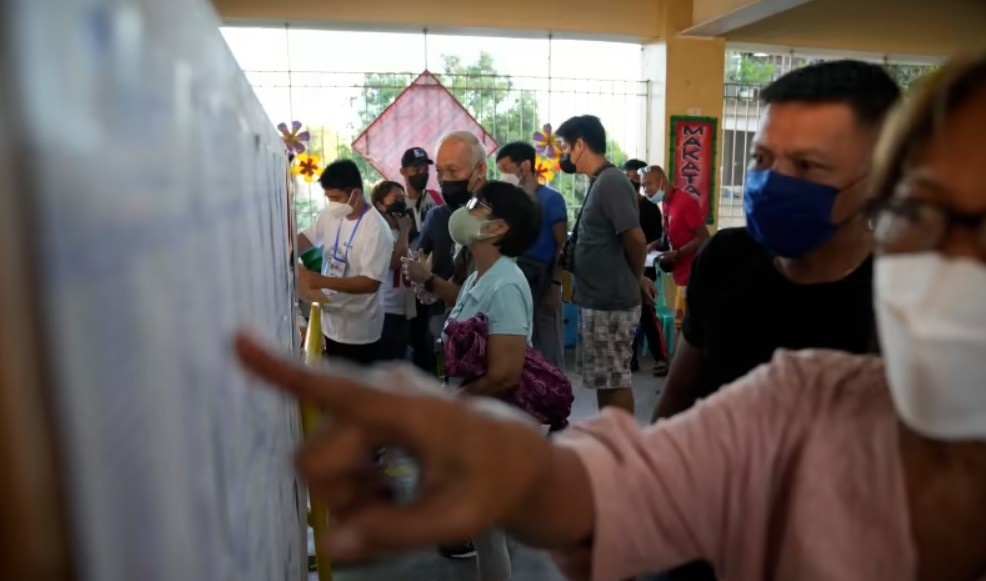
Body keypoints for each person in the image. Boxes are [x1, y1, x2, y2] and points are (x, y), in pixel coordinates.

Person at [234, 51, 986, 580]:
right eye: (923, 210)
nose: (941, 254)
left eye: (811, 168)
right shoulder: (814, 392)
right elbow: (648, 469)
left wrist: (624, 300)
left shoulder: (566, 230)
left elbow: (629, 249)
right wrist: (522, 467)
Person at [652, 59, 901, 581]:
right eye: (763, 158)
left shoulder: (911, 304)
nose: (773, 181)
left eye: (808, 166)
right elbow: (679, 397)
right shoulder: (728, 257)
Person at [442, 181, 541, 581]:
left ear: (497, 228)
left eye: (476, 205)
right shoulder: (478, 277)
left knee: (488, 531)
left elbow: (504, 373)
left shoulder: (506, 284)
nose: (465, 209)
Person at [403, 130, 490, 560]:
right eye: (442, 171)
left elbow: (481, 295)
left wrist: (434, 283)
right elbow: (428, 270)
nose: (445, 179)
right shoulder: (439, 218)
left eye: (454, 171)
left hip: (489, 346)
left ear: (480, 171)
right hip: (448, 337)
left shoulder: (496, 221)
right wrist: (422, 279)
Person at [557, 115, 650, 414]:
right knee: (605, 381)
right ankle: (613, 441)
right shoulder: (601, 182)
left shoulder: (611, 181)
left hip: (611, 303)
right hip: (599, 301)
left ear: (581, 144)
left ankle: (622, 449)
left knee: (614, 382)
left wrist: (634, 278)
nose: (566, 156)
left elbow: (635, 239)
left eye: (567, 148)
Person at [296, 159, 394, 366]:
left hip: (359, 331)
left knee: (353, 393)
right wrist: (283, 250)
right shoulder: (333, 214)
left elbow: (370, 283)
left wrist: (319, 281)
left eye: (336, 197)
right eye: (328, 198)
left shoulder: (377, 229)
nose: (331, 203)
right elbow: (306, 238)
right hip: (330, 320)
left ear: (356, 194)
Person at [496, 141, 568, 369]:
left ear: (525, 166)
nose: (503, 175)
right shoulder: (509, 203)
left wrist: (555, 286)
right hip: (515, 278)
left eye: (506, 168)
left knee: (547, 349)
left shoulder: (551, 199)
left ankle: (555, 397)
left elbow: (562, 246)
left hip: (544, 278)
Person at [647, 165, 709, 330]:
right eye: (643, 185)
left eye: (649, 184)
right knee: (680, 326)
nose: (645, 190)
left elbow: (704, 237)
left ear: (662, 181)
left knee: (687, 330)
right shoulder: (666, 203)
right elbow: (668, 234)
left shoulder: (685, 201)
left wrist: (678, 253)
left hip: (693, 276)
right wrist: (654, 245)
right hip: (680, 276)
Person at [624, 160, 669, 376]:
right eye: (628, 177)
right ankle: (630, 359)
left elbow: (659, 239)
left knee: (646, 313)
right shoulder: (622, 207)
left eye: (634, 178)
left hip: (646, 267)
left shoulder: (650, 208)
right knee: (628, 313)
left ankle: (661, 357)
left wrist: (647, 245)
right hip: (626, 267)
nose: (631, 181)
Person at [370, 181, 415, 361]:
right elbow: (395, 262)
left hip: (402, 311)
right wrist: (404, 230)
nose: (401, 202)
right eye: (396, 198)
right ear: (380, 205)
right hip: (386, 312)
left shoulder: (398, 231)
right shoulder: (381, 231)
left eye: (403, 198)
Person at [400, 146, 443, 235]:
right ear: (403, 171)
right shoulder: (399, 205)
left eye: (425, 170)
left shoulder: (439, 198)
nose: (422, 174)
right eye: (417, 170)